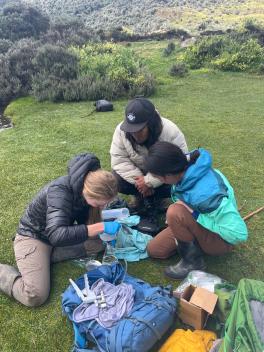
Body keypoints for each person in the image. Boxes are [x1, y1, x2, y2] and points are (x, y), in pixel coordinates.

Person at [0, 153, 120, 307]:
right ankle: (11, 267)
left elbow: (79, 225)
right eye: (99, 203)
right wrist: (101, 226)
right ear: (89, 192)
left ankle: (41, 259)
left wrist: (101, 227)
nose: (102, 207)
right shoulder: (60, 191)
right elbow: (57, 235)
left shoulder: (84, 188)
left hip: (57, 236)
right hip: (35, 236)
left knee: (98, 244)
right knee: (34, 295)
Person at [144, 141, 248, 279]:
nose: (155, 179)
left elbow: (239, 234)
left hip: (222, 241)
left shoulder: (206, 195)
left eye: (156, 176)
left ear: (168, 175)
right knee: (155, 250)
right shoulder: (186, 169)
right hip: (199, 222)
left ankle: (192, 263)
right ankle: (191, 241)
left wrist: (194, 214)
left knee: (174, 211)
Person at [110, 97, 188, 211]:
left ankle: (159, 199)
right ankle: (141, 196)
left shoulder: (171, 131)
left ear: (151, 123)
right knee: (115, 180)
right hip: (138, 175)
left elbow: (181, 163)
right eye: (131, 129)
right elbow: (119, 159)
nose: (134, 134)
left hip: (162, 175)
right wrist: (141, 182)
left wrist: (149, 182)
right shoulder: (120, 130)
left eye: (140, 130)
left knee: (181, 180)